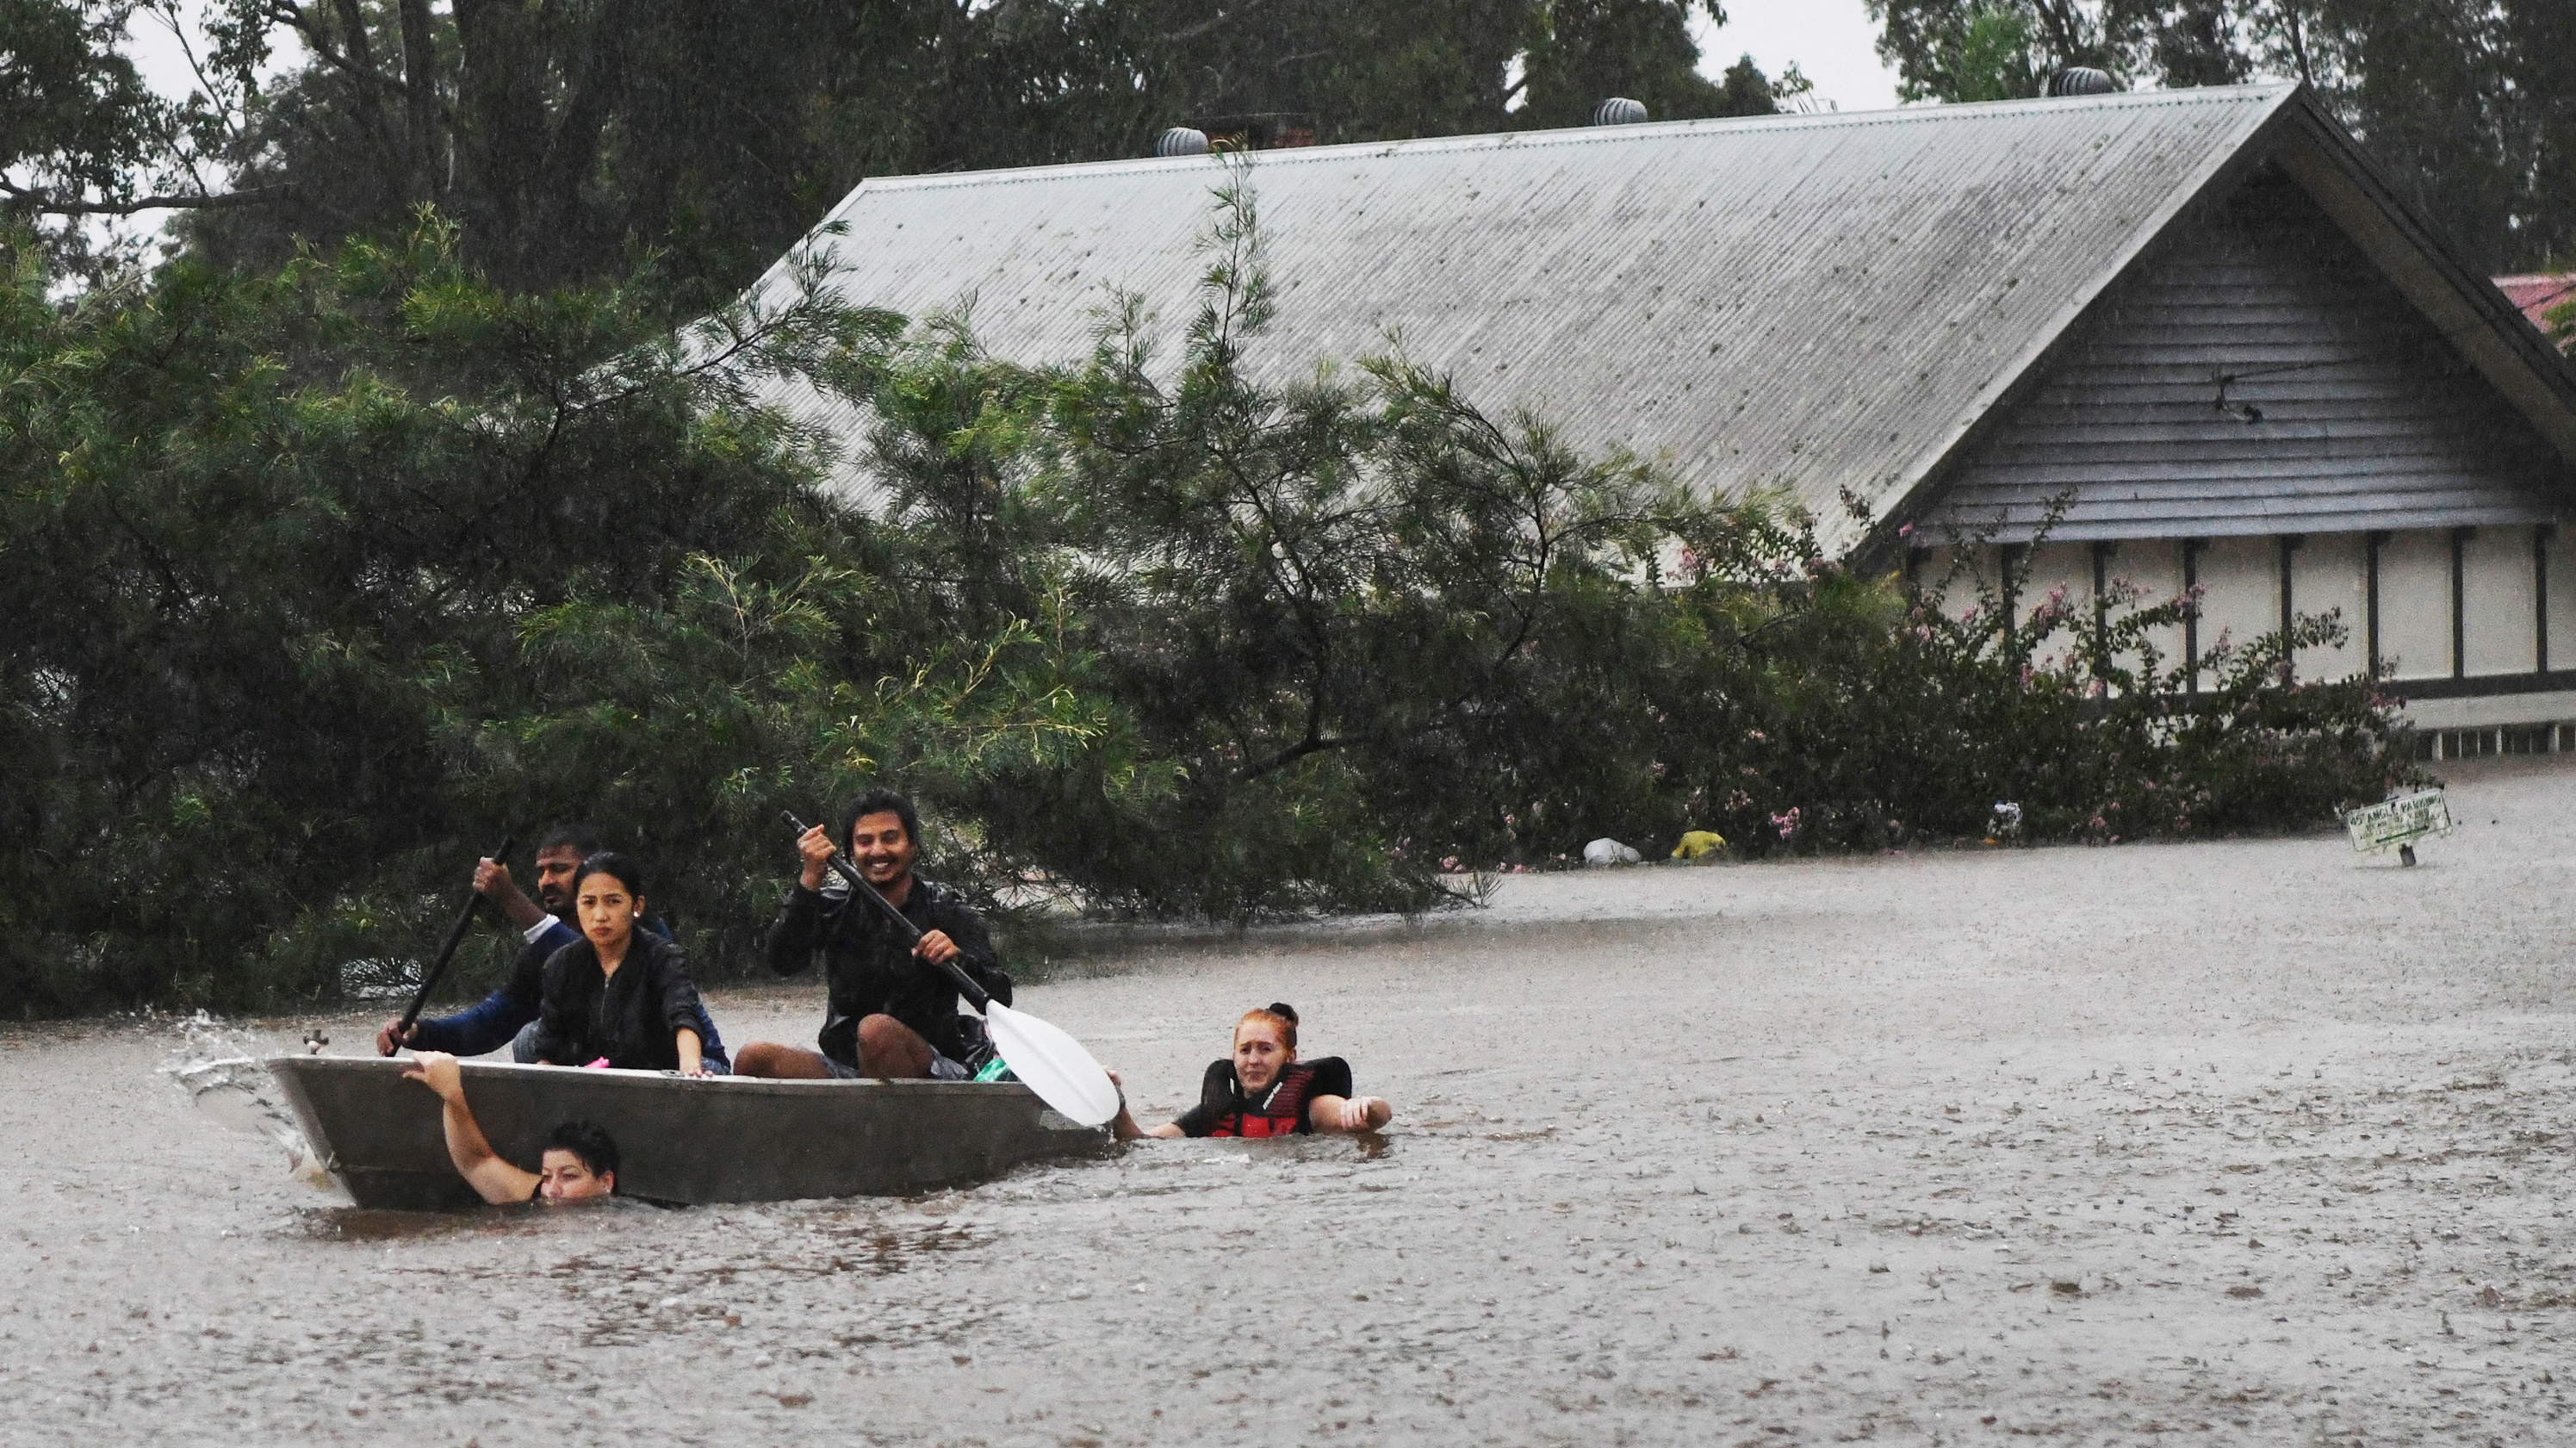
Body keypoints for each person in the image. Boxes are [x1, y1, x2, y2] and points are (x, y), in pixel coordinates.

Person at [375, 825, 728, 1072]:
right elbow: (490, 1024)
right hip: (606, 1070)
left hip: (673, 1065)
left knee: (534, 1038)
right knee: (532, 1040)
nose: (546, 881)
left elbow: (593, 958)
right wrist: (420, 1033)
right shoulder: (549, 956)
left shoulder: (644, 930)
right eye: (541, 871)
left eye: (560, 869)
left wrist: (511, 899)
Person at [735, 788, 1013, 1081]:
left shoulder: (945, 908)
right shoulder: (835, 904)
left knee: (876, 1031)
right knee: (753, 1058)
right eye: (865, 842)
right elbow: (783, 961)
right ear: (850, 851)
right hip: (850, 1073)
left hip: (932, 1070)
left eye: (890, 838)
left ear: (912, 846)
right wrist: (809, 879)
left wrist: (958, 959)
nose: (878, 851)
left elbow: (1000, 998)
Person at [526, 853, 715, 1075]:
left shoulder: (664, 958)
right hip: (591, 1082)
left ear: (637, 905)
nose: (600, 915)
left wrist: (690, 1068)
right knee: (526, 1038)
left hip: (660, 1077)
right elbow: (548, 1048)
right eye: (588, 902)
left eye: (613, 902)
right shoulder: (561, 965)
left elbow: (683, 1016)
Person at [1108, 1004, 1392, 1140]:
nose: (1253, 1060)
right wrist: (1116, 1102)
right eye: (1245, 1050)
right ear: (1233, 1056)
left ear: (1290, 1057)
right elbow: (1140, 1143)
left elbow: (1378, 1118)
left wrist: (1368, 1106)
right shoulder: (1214, 1111)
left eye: (1265, 1050)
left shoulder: (1313, 1107)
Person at [401, 1050, 619, 1205]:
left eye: (570, 1177)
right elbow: (477, 1161)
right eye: (545, 1177)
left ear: (605, 1182)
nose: (552, 1191)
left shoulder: (620, 1222)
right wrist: (452, 1094)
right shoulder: (539, 1197)